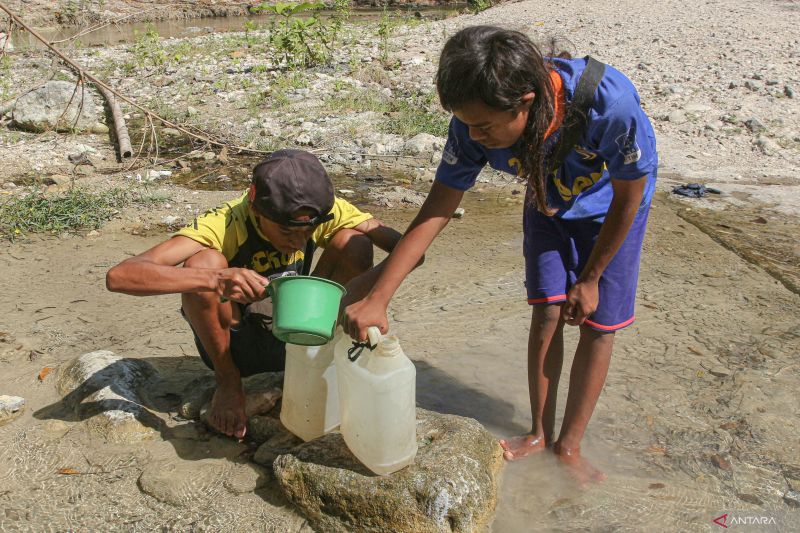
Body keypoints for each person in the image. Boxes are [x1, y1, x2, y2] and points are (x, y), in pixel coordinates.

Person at [341, 26, 658, 485]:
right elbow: (437, 208)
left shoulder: (608, 104)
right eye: (466, 123)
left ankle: (569, 445)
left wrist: (591, 278)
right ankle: (538, 433)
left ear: (526, 102)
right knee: (547, 312)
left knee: (598, 325)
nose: (474, 136)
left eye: (485, 127)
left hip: (614, 210)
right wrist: (380, 295)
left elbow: (631, 193)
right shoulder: (474, 124)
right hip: (549, 199)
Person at [107, 149, 404, 440]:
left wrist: (372, 278)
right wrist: (216, 279)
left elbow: (412, 254)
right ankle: (228, 383)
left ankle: (321, 363)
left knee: (355, 243)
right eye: (288, 232)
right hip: (238, 346)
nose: (300, 243)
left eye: (308, 231)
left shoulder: (323, 210)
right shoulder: (225, 223)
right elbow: (120, 276)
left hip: (300, 332)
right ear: (254, 205)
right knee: (203, 263)